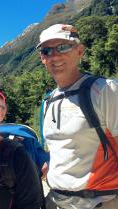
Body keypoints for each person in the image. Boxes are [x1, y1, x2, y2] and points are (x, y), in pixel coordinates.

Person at [38, 24, 118, 209]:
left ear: (80, 50)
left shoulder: (105, 90)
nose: (55, 55)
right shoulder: (48, 101)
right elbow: (60, 150)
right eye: (47, 50)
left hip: (99, 202)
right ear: (42, 58)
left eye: (63, 47)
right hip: (55, 201)